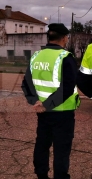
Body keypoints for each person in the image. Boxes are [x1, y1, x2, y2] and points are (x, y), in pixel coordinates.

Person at [21, 23, 80, 179]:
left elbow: (26, 84)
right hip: (63, 113)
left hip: (43, 113)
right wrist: (46, 105)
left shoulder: (36, 56)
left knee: (42, 144)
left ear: (49, 37)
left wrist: (36, 102)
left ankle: (41, 175)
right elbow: (67, 87)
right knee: (61, 149)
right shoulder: (65, 57)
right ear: (64, 38)